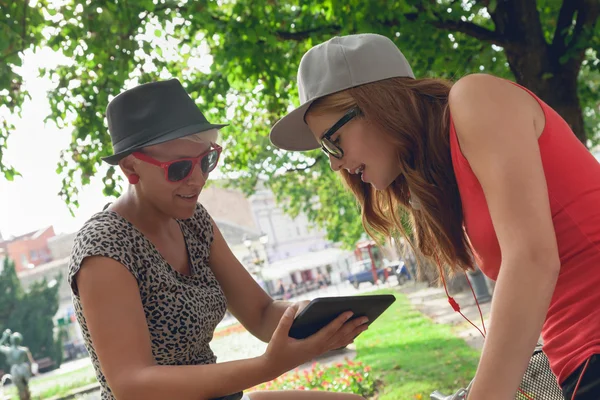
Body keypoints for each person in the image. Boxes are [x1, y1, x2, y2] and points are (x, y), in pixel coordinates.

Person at [269, 33, 600, 399]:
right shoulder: (451, 172)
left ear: (377, 105)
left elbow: (533, 261)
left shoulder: (475, 97)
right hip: (575, 365)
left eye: (332, 142)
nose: (334, 164)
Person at [68, 79, 368, 400]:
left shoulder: (195, 221)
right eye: (179, 167)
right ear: (131, 168)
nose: (197, 180)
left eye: (206, 160)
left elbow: (262, 313)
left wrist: (316, 321)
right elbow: (133, 385)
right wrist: (268, 366)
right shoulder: (104, 248)